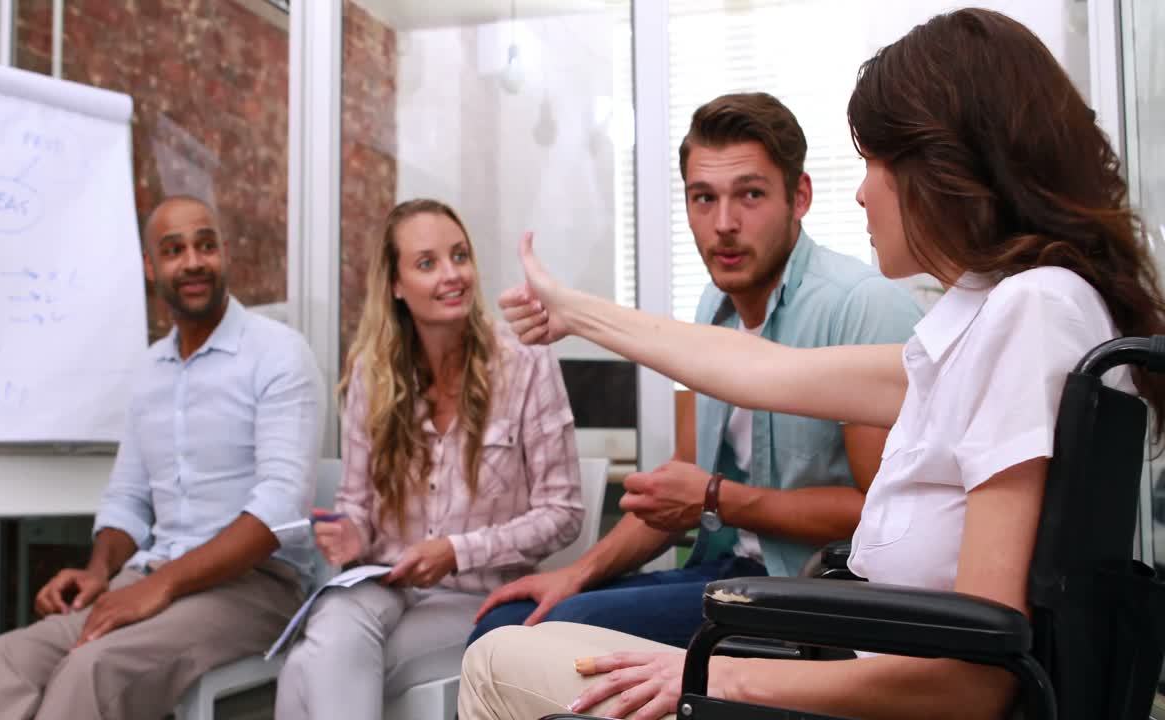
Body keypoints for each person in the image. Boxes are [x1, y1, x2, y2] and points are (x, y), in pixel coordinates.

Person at [459, 8, 1165, 720]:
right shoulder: (996, 323)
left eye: (874, 163)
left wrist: (714, 680)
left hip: (851, 682)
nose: (860, 191)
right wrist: (576, 312)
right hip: (843, 660)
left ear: (943, 165)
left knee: (497, 660)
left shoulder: (1031, 312)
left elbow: (978, 675)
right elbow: (761, 371)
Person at [469, 92, 922, 649]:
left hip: (814, 597)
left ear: (799, 196)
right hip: (726, 570)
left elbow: (881, 516)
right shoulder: (714, 305)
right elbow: (681, 491)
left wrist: (718, 498)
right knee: (513, 622)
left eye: (750, 195)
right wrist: (576, 573)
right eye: (702, 198)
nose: (723, 223)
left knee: (537, 641)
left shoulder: (860, 305)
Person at [0, 196, 326, 720]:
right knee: (8, 658)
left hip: (256, 588)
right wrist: (99, 571)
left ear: (224, 254)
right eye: (174, 250)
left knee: (92, 669)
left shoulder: (278, 354)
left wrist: (161, 585)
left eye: (205, 244)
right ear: (151, 268)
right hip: (151, 577)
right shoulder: (150, 371)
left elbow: (280, 511)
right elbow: (128, 498)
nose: (193, 261)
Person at [273, 199, 584, 720]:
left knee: (307, 667)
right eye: (427, 263)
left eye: (460, 256)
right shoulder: (372, 375)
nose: (452, 275)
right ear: (395, 284)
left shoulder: (526, 362)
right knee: (332, 627)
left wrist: (456, 550)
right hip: (387, 584)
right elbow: (355, 505)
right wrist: (350, 534)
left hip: (481, 598)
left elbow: (564, 513)